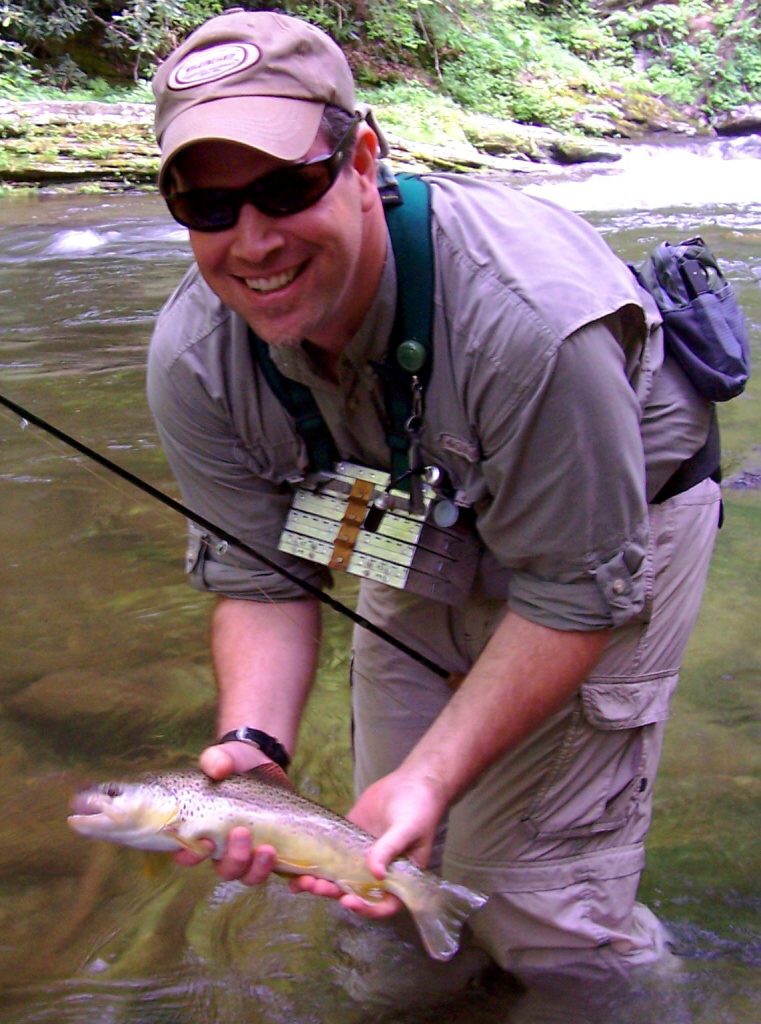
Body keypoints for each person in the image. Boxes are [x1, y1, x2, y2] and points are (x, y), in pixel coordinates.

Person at [147, 7, 721, 1014]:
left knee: (543, 911)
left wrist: (433, 773)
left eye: (286, 187)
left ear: (362, 158)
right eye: (206, 205)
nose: (252, 240)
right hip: (411, 502)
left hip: (607, 521)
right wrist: (255, 751)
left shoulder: (533, 320)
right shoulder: (198, 355)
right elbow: (261, 577)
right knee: (381, 896)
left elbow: (572, 593)